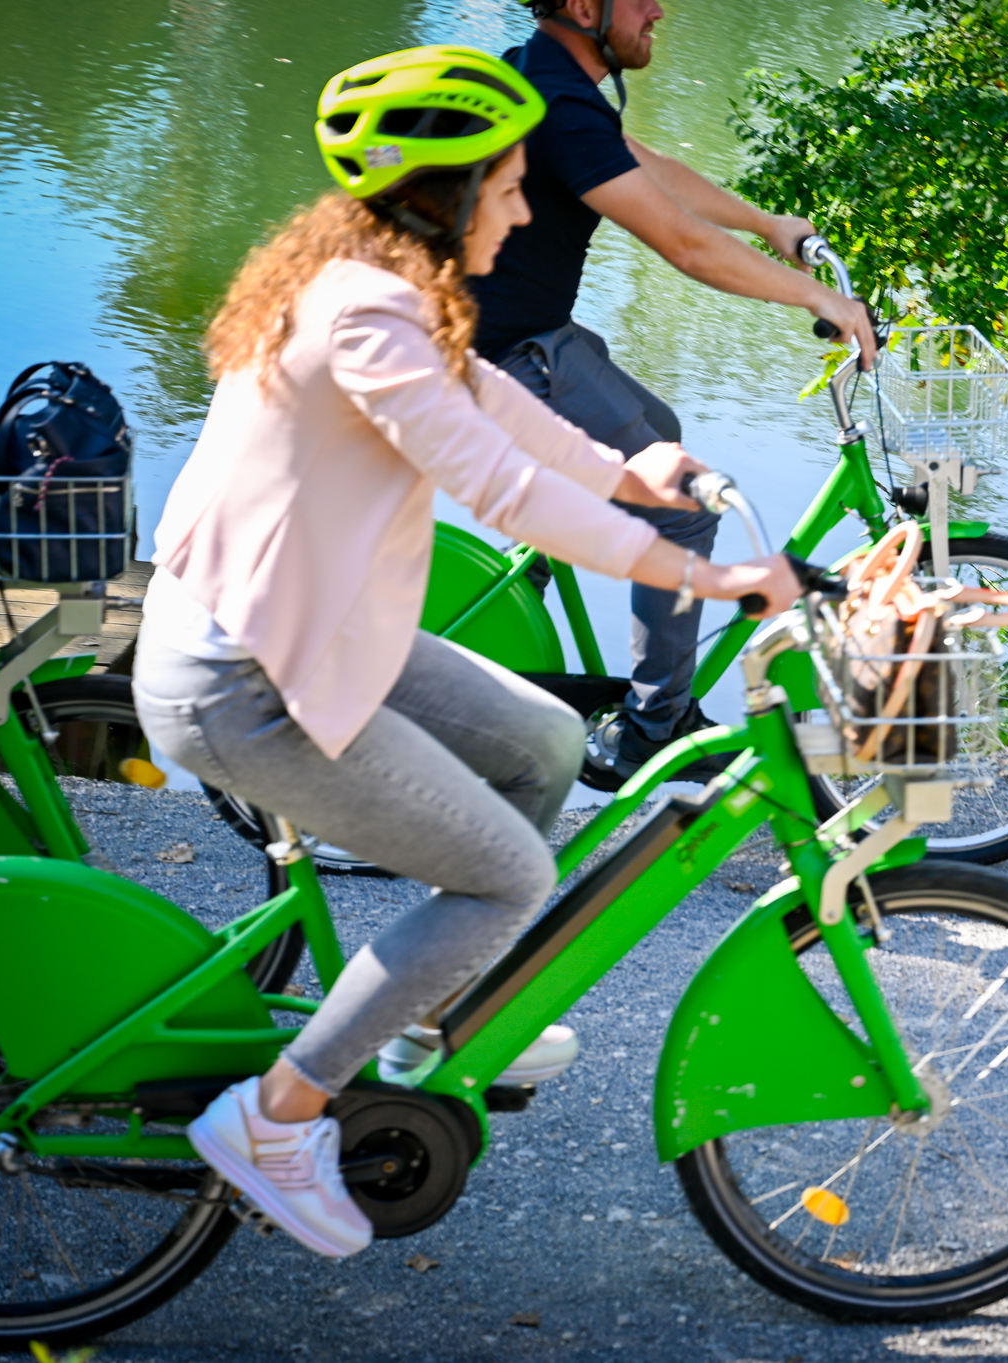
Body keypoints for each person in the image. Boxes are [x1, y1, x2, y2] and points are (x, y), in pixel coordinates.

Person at [131, 45, 800, 1258]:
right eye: (506, 187)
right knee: (506, 875)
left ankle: (429, 1021)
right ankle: (276, 1116)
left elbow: (487, 409)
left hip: (316, 634)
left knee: (542, 741)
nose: (524, 210)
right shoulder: (363, 313)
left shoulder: (385, 290)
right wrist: (702, 576)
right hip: (247, 678)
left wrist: (624, 472)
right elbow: (498, 486)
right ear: (446, 195)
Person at [468, 0, 876, 782]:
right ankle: (653, 728)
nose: (659, 8)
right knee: (683, 502)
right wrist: (820, 298)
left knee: (660, 432)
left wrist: (766, 222)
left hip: (530, 338)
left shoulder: (542, 74)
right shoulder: (559, 102)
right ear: (584, 6)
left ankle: (550, 573)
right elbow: (685, 244)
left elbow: (646, 167)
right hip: (512, 359)